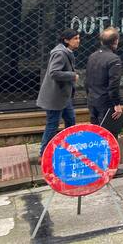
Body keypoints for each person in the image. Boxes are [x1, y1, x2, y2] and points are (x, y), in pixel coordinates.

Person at [85, 27, 123, 177]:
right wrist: (117, 104)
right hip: (106, 102)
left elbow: (87, 80)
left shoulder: (92, 56)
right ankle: (110, 168)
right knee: (110, 134)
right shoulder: (114, 59)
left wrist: (90, 96)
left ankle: (98, 165)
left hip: (93, 100)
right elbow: (113, 85)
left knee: (97, 133)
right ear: (115, 41)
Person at [36, 29, 81, 157]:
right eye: (75, 38)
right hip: (55, 97)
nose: (78, 41)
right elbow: (54, 72)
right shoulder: (60, 53)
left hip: (63, 96)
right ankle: (44, 154)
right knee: (52, 125)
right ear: (66, 40)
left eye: (78, 38)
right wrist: (72, 75)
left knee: (70, 120)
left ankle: (69, 148)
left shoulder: (66, 52)